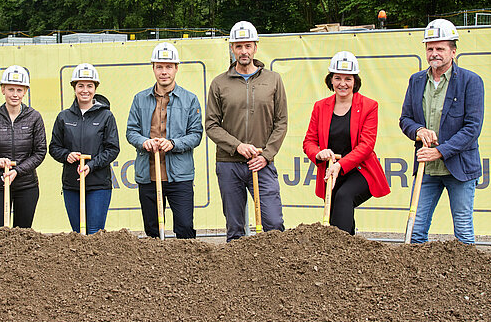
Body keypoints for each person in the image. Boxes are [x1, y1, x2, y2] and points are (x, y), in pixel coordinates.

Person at [399, 19, 484, 244]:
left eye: (440, 48)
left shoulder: (470, 82)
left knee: (463, 233)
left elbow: (472, 128)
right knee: (415, 232)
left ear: (453, 52)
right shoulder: (416, 81)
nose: (434, 53)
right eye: (430, 48)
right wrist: (418, 130)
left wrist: (440, 151)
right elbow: (405, 119)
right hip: (427, 169)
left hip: (460, 168)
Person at [205, 21, 288, 241]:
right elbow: (211, 125)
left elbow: (281, 121)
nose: (244, 51)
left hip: (261, 163)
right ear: (232, 48)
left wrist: (267, 155)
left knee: (274, 224)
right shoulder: (219, 83)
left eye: (248, 46)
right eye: (239, 46)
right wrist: (237, 146)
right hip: (229, 164)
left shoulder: (273, 80)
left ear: (255, 47)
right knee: (235, 229)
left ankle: (275, 271)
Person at [302, 51, 391, 234]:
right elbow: (309, 141)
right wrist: (318, 153)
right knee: (336, 208)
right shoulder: (320, 106)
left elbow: (366, 146)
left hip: (361, 170)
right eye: (337, 78)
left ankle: (337, 251)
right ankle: (348, 251)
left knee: (344, 196)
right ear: (331, 80)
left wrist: (340, 165)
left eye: (348, 79)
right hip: (331, 172)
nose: (342, 84)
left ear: (355, 81)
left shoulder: (369, 106)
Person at [126, 42, 203, 239]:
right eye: (159, 66)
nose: (164, 72)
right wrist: (144, 142)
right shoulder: (140, 99)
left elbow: (196, 134)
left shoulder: (190, 99)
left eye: (169, 67)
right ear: (153, 68)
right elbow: (131, 131)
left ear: (176, 68)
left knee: (185, 228)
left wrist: (174, 143)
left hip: (180, 177)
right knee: (152, 231)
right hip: (148, 176)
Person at [49, 63, 121, 234]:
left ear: (95, 88)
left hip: (98, 184)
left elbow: (112, 149)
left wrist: (91, 165)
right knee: (77, 233)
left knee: (94, 231)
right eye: (80, 85)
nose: (85, 90)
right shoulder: (63, 117)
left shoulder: (106, 116)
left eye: (89, 86)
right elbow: (54, 147)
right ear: (74, 87)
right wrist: (67, 155)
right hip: (71, 184)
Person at [0, 65, 47, 229]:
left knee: (23, 235)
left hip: (27, 186)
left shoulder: (34, 117)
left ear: (25, 91)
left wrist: (17, 171)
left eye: (19, 90)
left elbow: (40, 152)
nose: (15, 94)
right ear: (2, 89)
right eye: (10, 89)